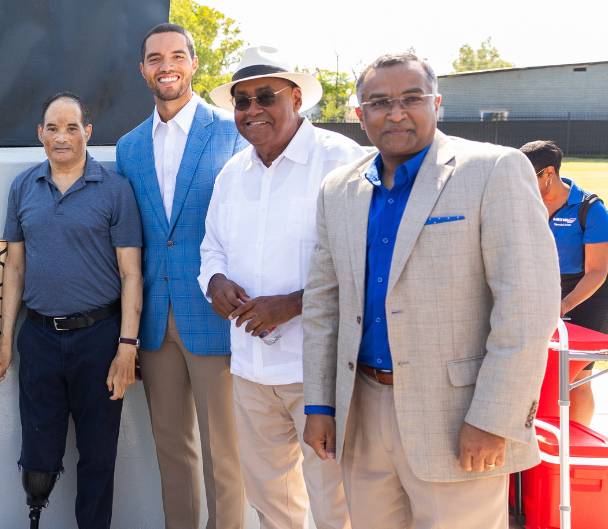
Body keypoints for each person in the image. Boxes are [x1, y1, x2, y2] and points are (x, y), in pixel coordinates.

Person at [301, 53, 559, 529]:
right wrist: (320, 404)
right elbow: (323, 305)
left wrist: (494, 419)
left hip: (459, 417)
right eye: (379, 102)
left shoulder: (493, 171)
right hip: (361, 413)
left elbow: (526, 307)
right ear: (360, 115)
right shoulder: (338, 190)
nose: (395, 113)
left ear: (437, 103)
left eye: (411, 99)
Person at [199, 46, 357, 529]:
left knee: (335, 501)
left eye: (265, 96)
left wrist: (294, 304)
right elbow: (211, 249)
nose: (252, 111)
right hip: (250, 369)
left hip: (319, 370)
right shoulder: (232, 173)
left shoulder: (342, 161)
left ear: (295, 98)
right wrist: (216, 282)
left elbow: (366, 261)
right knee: (272, 503)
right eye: (241, 102)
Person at [115, 22, 249, 529]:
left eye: (175, 56)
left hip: (215, 315)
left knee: (225, 457)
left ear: (193, 63)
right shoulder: (128, 147)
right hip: (154, 319)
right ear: (143, 69)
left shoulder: (231, 131)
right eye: (154, 58)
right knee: (173, 453)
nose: (165, 65)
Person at [0, 93, 142, 529]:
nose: (62, 137)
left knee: (98, 454)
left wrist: (126, 347)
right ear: (40, 134)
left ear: (87, 133)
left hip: (99, 337)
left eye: (72, 127)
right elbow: (14, 268)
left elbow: (131, 274)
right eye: (52, 128)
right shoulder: (23, 187)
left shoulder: (115, 189)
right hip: (37, 338)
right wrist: (5, 345)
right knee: (38, 454)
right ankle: (35, 516)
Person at [521, 139, 605, 426]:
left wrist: (564, 304)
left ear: (548, 174)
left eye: (527, 175)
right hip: (540, 287)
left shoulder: (590, 209)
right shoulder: (524, 204)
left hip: (584, 293)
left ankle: (575, 442)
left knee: (576, 377)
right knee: (534, 371)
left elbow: (597, 270)